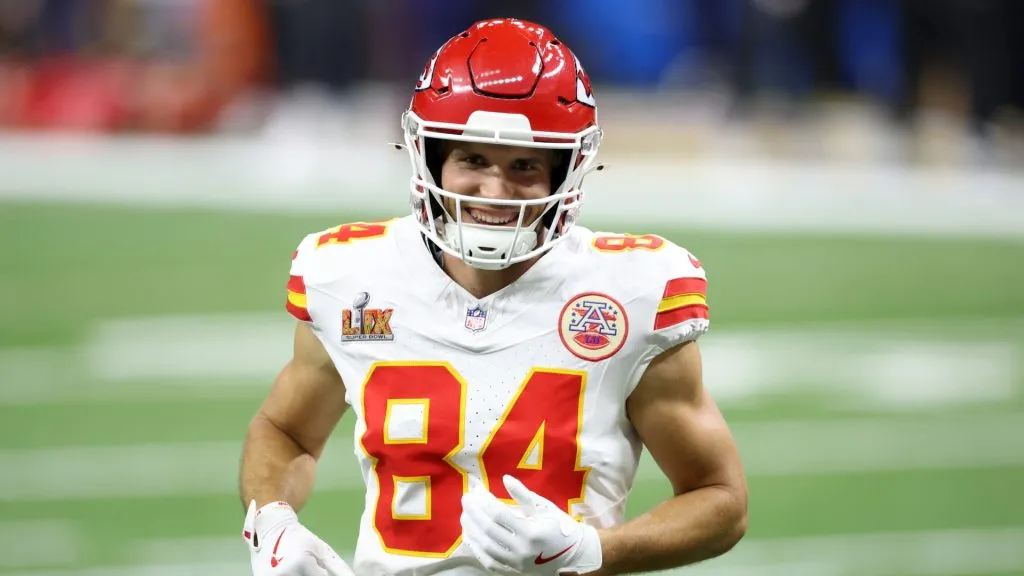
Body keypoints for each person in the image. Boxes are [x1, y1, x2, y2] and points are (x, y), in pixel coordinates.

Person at [238, 17, 747, 576]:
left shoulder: (630, 291)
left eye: (524, 165)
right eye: (473, 160)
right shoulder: (353, 275)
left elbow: (719, 497)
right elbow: (285, 432)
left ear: (565, 172)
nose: (495, 190)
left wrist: (592, 551)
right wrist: (273, 523)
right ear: (431, 159)